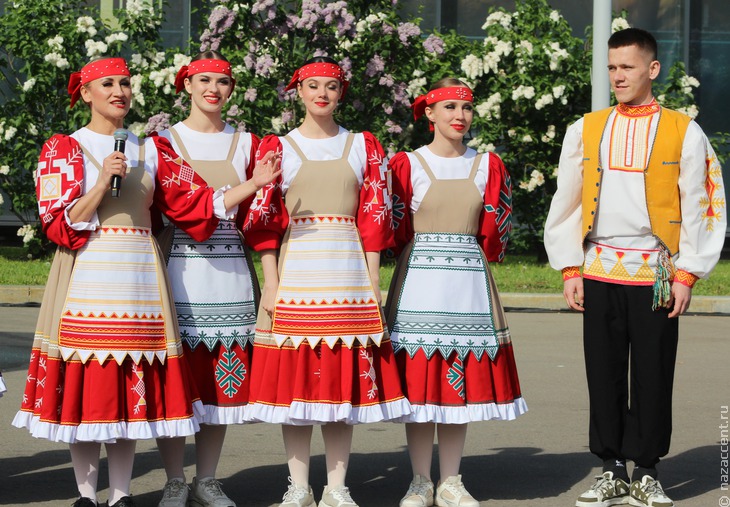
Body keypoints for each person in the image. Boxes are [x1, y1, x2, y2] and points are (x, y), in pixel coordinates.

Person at [11, 57, 280, 507]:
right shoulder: (65, 147)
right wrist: (100, 183)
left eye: (125, 84)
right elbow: (58, 224)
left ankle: (120, 495)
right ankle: (86, 496)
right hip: (88, 273)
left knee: (129, 385)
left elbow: (195, 205)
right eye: (108, 84)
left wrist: (252, 183)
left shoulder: (152, 150)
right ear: (86, 94)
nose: (119, 91)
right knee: (88, 382)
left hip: (140, 275)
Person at [544, 28, 726, 507]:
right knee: (601, 373)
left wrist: (688, 272)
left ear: (652, 69)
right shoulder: (586, 127)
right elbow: (566, 201)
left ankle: (647, 470)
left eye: (626, 67)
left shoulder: (684, 130)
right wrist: (569, 266)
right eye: (611, 67)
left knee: (652, 372)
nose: (617, 76)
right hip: (600, 265)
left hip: (657, 272)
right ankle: (610, 469)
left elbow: (703, 203)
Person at [243, 56, 411, 507]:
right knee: (297, 384)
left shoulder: (363, 145)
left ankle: (337, 488)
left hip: (347, 269)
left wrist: (373, 282)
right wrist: (272, 283)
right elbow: (264, 221)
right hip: (298, 268)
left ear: (341, 94)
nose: (322, 93)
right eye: (313, 85)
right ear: (297, 91)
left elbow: (375, 216)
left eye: (331, 87)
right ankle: (298, 486)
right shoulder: (277, 147)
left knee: (341, 384)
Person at [386, 78, 527, 507]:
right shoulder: (406, 164)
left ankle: (451, 480)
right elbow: (393, 226)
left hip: (466, 280)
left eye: (465, 109)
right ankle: (418, 480)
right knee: (418, 385)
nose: (459, 117)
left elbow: (494, 229)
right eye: (448, 108)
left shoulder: (487, 164)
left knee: (456, 382)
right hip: (419, 283)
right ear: (429, 114)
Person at [152, 50, 262, 507]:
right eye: (203, 80)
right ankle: (175, 479)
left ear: (231, 89)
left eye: (222, 80)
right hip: (179, 266)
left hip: (232, 268)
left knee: (221, 381)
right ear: (187, 86)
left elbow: (264, 213)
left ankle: (207, 479)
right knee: (181, 381)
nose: (213, 88)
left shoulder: (250, 143)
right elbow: (175, 205)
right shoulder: (164, 142)